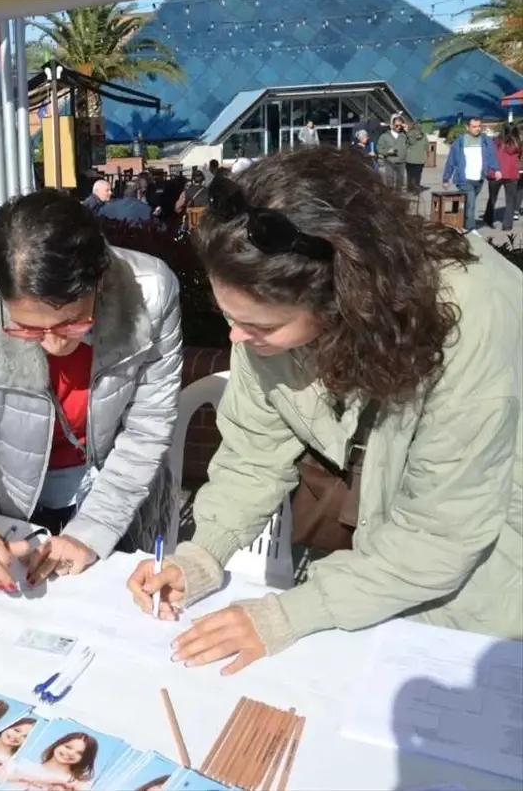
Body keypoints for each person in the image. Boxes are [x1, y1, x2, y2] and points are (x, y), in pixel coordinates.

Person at [127, 147, 522, 676]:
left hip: (488, 586)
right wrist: (203, 554)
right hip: (386, 558)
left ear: (343, 299)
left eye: (261, 328)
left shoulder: (473, 321)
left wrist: (291, 614)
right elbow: (252, 454)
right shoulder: (264, 307)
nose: (236, 338)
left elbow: (442, 533)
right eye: (229, 316)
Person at [0, 190, 182, 591]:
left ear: (99, 280)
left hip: (122, 498)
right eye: (28, 328)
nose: (52, 343)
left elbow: (147, 431)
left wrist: (90, 532)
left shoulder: (152, 293)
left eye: (72, 323)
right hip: (13, 504)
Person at [443, 117, 500, 232]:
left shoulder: (485, 140)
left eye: (479, 126)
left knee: (468, 203)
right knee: (471, 204)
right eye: (474, 127)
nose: (477, 129)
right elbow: (451, 160)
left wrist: (496, 169)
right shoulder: (460, 141)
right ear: (467, 127)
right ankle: (470, 229)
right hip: (464, 179)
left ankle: (462, 222)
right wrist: (446, 178)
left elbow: (491, 156)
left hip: (479, 178)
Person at [484, 122, 521, 231]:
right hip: (511, 174)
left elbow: (489, 154)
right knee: (510, 201)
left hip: (495, 173)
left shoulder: (496, 142)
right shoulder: (518, 143)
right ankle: (507, 225)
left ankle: (488, 219)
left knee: (492, 198)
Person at [377, 114, 408, 191]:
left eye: (400, 125)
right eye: (397, 125)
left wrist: (407, 131)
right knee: (389, 181)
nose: (399, 127)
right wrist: (388, 152)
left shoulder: (404, 135)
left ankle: (398, 196)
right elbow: (379, 148)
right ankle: (390, 196)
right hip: (390, 162)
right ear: (392, 125)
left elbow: (412, 143)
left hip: (401, 162)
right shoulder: (384, 136)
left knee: (400, 181)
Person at [403, 117, 429, 193]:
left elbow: (405, 145)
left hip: (409, 159)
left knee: (410, 175)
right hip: (420, 159)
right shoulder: (423, 135)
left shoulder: (408, 134)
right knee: (417, 175)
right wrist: (427, 155)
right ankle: (416, 188)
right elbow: (427, 146)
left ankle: (410, 188)